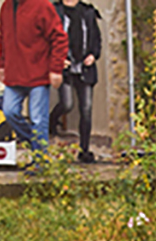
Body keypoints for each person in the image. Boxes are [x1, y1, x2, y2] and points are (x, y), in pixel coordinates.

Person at [0, 0, 66, 155]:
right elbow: (3, 37)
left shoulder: (42, 5)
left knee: (38, 120)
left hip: (38, 74)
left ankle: (40, 163)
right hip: (14, 73)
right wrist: (1, 64)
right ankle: (36, 145)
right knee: (9, 111)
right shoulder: (6, 6)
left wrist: (56, 69)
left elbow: (59, 38)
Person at [49, 0, 101, 161]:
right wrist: (58, 59)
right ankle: (52, 122)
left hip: (85, 69)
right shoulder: (55, 10)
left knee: (86, 109)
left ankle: (84, 150)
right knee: (67, 104)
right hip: (65, 68)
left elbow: (96, 39)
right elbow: (47, 38)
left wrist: (93, 55)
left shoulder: (88, 12)